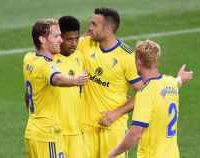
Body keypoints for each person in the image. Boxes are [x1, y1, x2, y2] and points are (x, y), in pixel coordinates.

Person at [77, 7, 193, 158]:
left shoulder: (127, 56)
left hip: (112, 127)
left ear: (107, 28)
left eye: (94, 24)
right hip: (85, 126)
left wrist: (115, 113)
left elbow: (143, 91)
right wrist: (179, 80)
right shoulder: (84, 43)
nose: (89, 27)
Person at [109, 40, 187, 158]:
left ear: (138, 62)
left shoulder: (145, 92)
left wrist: (112, 154)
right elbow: (177, 81)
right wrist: (181, 77)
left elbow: (135, 133)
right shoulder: (170, 82)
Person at [23, 18, 88, 158]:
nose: (60, 40)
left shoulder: (29, 58)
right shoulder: (45, 65)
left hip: (35, 130)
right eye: (56, 36)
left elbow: (27, 97)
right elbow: (56, 78)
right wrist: (76, 80)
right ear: (42, 39)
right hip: (47, 134)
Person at [51, 15, 85, 158]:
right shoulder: (50, 59)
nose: (73, 43)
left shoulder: (79, 57)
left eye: (76, 39)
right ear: (60, 38)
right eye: (69, 39)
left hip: (76, 130)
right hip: (56, 131)